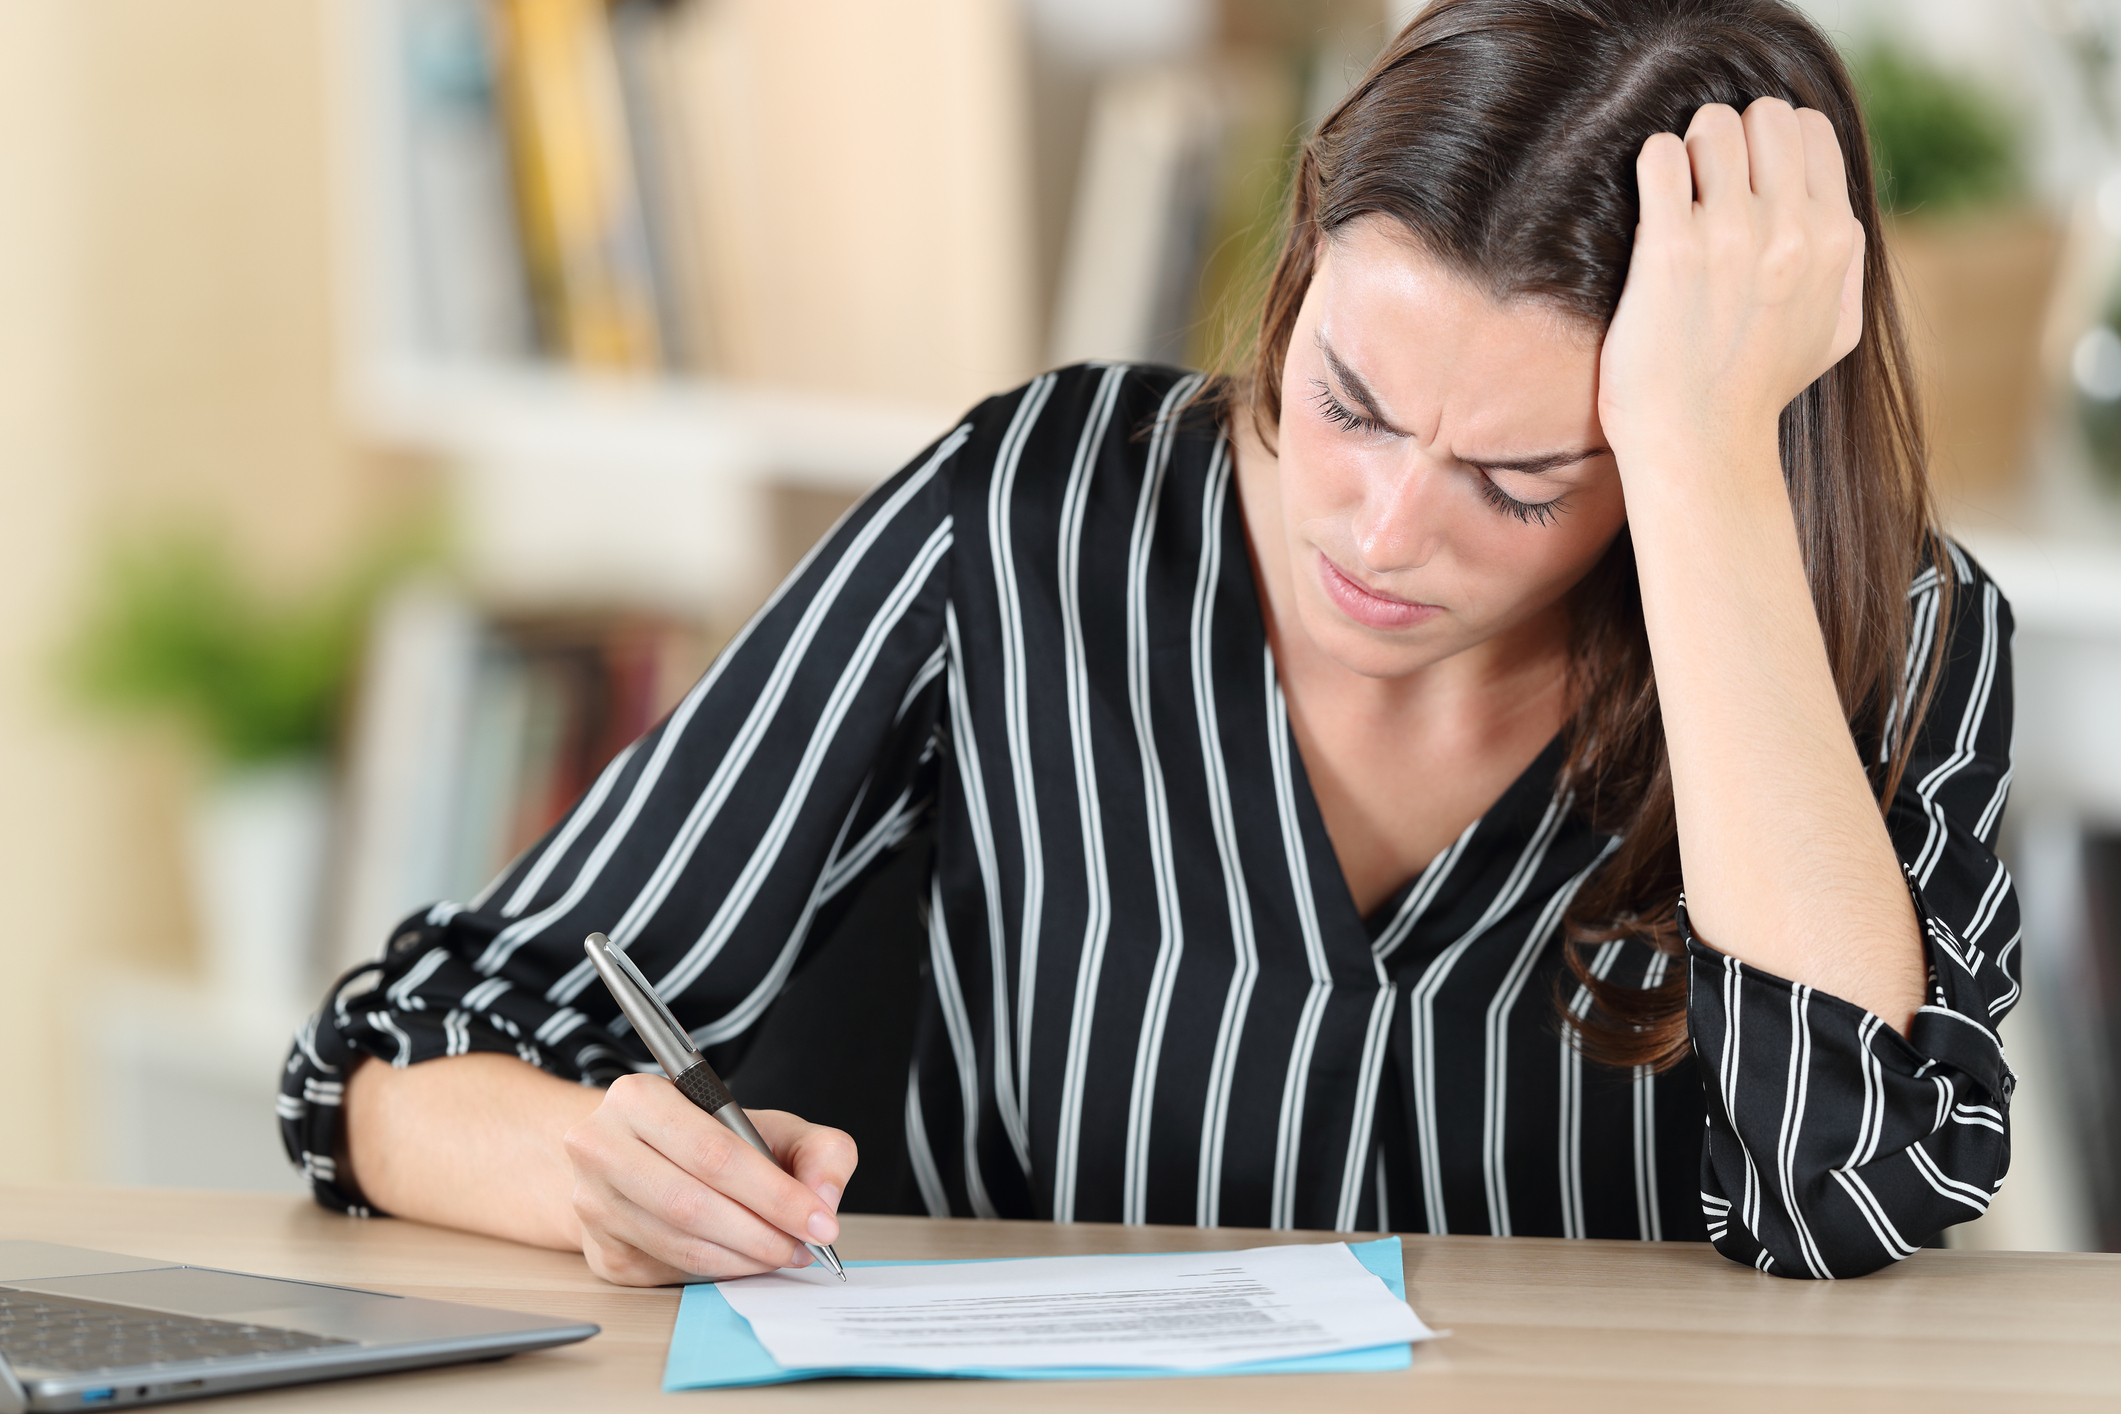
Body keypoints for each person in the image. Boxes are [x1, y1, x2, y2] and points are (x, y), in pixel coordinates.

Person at [282, 0, 2017, 1283]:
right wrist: (595, 1164)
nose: (1380, 527)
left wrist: (1709, 479)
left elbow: (1842, 1186)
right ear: (1297, 268)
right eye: (1346, 399)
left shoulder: (1899, 636)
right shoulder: (1032, 509)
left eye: (1518, 478)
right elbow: (391, 1053)